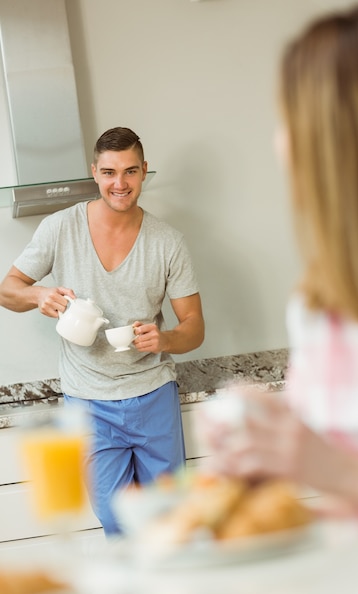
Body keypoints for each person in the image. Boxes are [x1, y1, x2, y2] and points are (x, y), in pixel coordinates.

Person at [199, 5, 358, 513]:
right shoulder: (321, 308)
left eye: (287, 120)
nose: (280, 142)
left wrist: (342, 472)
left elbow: (356, 477)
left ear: (336, 141)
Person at [0, 127, 205, 535]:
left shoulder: (168, 242)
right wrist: (38, 295)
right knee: (116, 519)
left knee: (170, 521)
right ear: (94, 172)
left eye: (130, 172)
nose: (120, 183)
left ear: (145, 171)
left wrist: (164, 340)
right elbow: (8, 290)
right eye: (110, 172)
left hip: (153, 395)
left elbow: (194, 327)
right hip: (89, 401)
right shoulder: (61, 228)